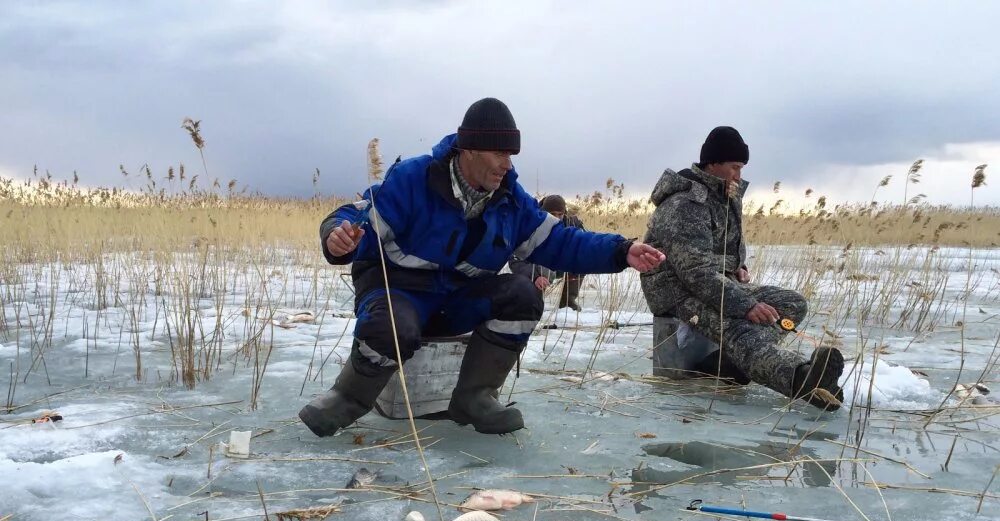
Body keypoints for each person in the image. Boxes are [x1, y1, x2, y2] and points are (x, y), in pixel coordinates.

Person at [299, 98, 665, 437]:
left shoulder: (510, 200)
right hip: (399, 294)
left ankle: (474, 398)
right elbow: (355, 215)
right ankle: (348, 398)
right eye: (499, 152)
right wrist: (337, 237)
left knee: (522, 295)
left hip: (457, 299)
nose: (508, 164)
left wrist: (621, 250)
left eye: (512, 154)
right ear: (469, 149)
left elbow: (560, 242)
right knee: (393, 323)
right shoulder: (413, 179)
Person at [640, 126, 845, 410]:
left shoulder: (725, 196)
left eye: (742, 167)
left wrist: (738, 267)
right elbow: (695, 272)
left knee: (791, 304)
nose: (739, 174)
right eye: (734, 167)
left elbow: (724, 248)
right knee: (740, 329)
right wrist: (746, 304)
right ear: (713, 164)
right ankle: (801, 379)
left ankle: (727, 362)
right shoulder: (685, 204)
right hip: (677, 292)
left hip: (716, 281)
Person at [509, 195, 586, 311]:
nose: (556, 218)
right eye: (552, 214)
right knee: (542, 273)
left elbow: (585, 244)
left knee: (582, 260)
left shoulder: (572, 224)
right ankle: (532, 304)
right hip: (537, 269)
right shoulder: (530, 224)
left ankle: (568, 302)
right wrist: (535, 276)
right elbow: (515, 261)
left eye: (560, 214)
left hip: (560, 264)